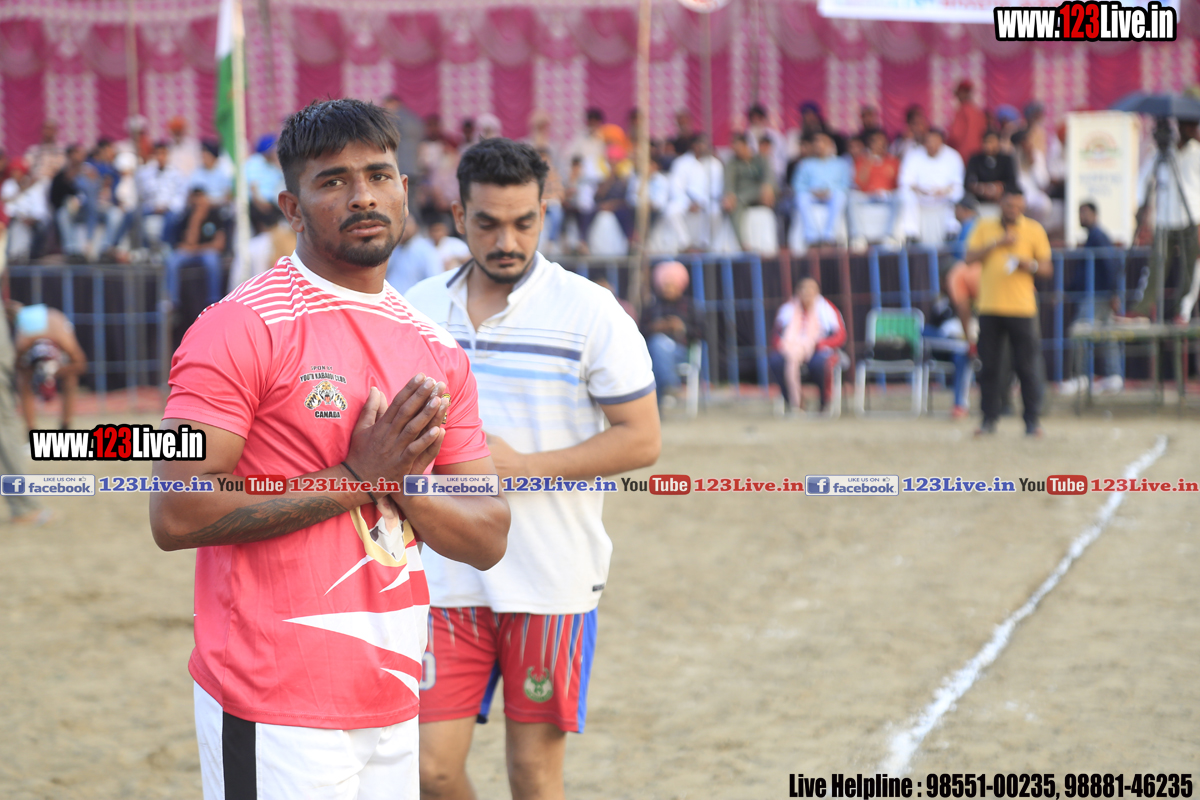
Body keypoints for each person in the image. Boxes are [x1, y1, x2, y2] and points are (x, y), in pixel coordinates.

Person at [149, 98, 510, 800]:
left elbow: (489, 533)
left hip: (394, 692)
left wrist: (402, 482)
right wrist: (357, 475)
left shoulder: (436, 349)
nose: (363, 195)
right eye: (333, 180)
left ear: (405, 189)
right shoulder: (238, 327)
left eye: (379, 174)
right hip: (272, 698)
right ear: (291, 205)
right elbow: (176, 511)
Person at [404, 137, 660, 800]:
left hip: (551, 577)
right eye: (488, 223)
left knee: (534, 775)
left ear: (545, 213)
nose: (507, 241)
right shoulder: (414, 308)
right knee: (428, 771)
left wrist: (522, 467)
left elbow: (641, 440)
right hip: (443, 575)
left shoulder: (590, 310)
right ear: (458, 216)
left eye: (524, 222)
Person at [966, 189, 1052, 436]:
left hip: (1022, 309)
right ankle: (988, 419)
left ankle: (1032, 420)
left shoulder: (1034, 229)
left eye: (1017, 206)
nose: (1013, 210)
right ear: (1001, 205)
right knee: (989, 367)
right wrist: (997, 243)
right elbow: (969, 258)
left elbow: (1047, 269)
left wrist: (1029, 265)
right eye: (1009, 205)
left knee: (1027, 366)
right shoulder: (984, 227)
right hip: (990, 307)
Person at [1133, 120, 1200, 322]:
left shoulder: (1197, 152)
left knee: (1191, 267)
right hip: (1165, 219)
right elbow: (1143, 178)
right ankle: (1142, 310)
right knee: (1156, 265)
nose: (1193, 130)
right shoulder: (1162, 153)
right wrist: (1141, 206)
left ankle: (1182, 312)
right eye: (1189, 126)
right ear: (1180, 126)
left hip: (1192, 217)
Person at [1066, 202, 1123, 393]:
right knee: (1107, 334)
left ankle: (1081, 377)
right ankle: (1113, 375)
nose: (1081, 216)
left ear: (1095, 214)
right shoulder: (1094, 236)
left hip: (1097, 295)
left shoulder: (1098, 235)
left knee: (1081, 332)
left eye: (1085, 213)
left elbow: (1110, 264)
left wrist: (1113, 292)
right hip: (1096, 293)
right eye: (1079, 212)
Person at [768, 277, 846, 413]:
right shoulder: (788, 309)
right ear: (797, 291)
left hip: (818, 349)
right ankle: (794, 402)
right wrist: (784, 345)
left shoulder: (826, 308)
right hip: (792, 350)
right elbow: (776, 336)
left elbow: (840, 336)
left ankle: (824, 403)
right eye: (804, 289)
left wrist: (819, 344)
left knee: (821, 364)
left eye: (811, 289)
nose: (807, 292)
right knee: (776, 361)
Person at [12, 303, 87, 430]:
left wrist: (54, 371)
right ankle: (30, 428)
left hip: (54, 321)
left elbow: (81, 365)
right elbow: (16, 364)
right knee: (23, 377)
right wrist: (35, 371)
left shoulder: (65, 342)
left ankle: (65, 425)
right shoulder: (23, 344)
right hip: (32, 322)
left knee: (71, 377)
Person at [642, 260, 704, 406]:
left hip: (681, 352)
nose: (667, 288)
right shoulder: (652, 307)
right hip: (653, 354)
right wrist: (655, 328)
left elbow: (702, 333)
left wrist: (682, 328)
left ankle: (666, 389)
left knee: (658, 346)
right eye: (665, 284)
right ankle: (669, 386)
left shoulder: (689, 307)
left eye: (671, 284)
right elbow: (639, 332)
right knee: (657, 346)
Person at [898, 129, 964, 245]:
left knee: (957, 194)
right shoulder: (914, 155)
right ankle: (912, 233)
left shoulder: (953, 156)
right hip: (921, 196)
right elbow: (906, 181)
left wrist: (944, 191)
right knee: (906, 194)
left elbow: (957, 182)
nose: (931, 144)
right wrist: (919, 189)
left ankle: (951, 229)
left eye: (935, 141)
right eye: (928, 141)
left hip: (942, 196)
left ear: (942, 142)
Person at [165, 188, 227, 309]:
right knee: (172, 261)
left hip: (204, 251)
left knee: (212, 260)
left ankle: (214, 299)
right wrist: (196, 219)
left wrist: (196, 248)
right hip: (192, 253)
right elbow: (189, 241)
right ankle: (172, 302)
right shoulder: (188, 215)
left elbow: (219, 245)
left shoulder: (215, 215)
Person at [666, 133, 725, 252]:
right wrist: (688, 203)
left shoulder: (715, 164)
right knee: (672, 210)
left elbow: (716, 189)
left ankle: (705, 245)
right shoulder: (681, 162)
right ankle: (685, 244)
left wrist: (701, 203)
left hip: (706, 202)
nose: (703, 147)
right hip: (686, 201)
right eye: (700, 144)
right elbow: (676, 188)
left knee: (715, 211)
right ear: (694, 146)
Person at [792, 132, 850, 247]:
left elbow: (845, 184)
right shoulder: (805, 163)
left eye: (822, 142)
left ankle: (829, 235)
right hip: (812, 195)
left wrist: (829, 191)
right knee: (801, 197)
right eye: (816, 143)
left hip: (831, 194)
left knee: (840, 196)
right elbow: (797, 184)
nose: (819, 145)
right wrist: (812, 191)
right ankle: (811, 236)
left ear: (830, 145)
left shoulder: (840, 164)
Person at [723, 133, 777, 253]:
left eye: (738, 147)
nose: (736, 151)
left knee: (768, 190)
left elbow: (769, 176)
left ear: (746, 146)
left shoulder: (760, 159)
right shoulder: (732, 163)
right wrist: (729, 195)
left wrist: (768, 187)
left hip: (761, 194)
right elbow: (729, 182)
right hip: (742, 196)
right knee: (734, 205)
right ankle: (743, 244)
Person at [849, 129, 902, 248]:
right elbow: (859, 182)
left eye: (881, 142)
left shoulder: (893, 161)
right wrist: (869, 160)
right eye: (875, 142)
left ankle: (889, 235)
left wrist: (886, 192)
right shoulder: (862, 160)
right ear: (870, 144)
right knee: (852, 197)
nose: (878, 145)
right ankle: (858, 236)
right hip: (867, 196)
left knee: (900, 197)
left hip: (886, 196)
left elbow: (897, 184)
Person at [137, 141, 187, 249]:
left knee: (172, 219)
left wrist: (166, 207)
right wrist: (154, 206)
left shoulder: (176, 174)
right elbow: (144, 195)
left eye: (163, 154)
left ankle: (166, 247)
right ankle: (144, 248)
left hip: (169, 208)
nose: (160, 157)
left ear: (168, 155)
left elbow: (180, 196)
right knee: (137, 214)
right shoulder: (147, 173)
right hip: (152, 207)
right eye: (158, 154)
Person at [386, 219, 443, 295]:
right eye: (399, 223)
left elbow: (434, 282)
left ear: (416, 226)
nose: (403, 227)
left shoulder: (426, 250)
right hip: (391, 299)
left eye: (406, 223)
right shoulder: (395, 248)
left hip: (413, 301)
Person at [964, 131, 1018, 205]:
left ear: (998, 142)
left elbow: (1012, 182)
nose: (988, 145)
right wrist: (982, 189)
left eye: (991, 142)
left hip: (1001, 199)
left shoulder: (1006, 160)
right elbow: (969, 182)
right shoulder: (975, 160)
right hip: (979, 199)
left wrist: (999, 187)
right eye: (986, 142)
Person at [947, 80, 988, 160]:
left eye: (958, 94)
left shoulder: (962, 111)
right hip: (978, 154)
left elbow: (955, 136)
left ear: (963, 93)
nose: (957, 98)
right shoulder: (978, 112)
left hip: (962, 154)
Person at [188, 140, 232, 207]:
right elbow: (191, 194)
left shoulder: (223, 173)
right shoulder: (197, 172)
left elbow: (228, 197)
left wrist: (211, 201)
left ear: (213, 157)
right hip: (199, 204)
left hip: (217, 207)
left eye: (206, 156)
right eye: (203, 156)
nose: (203, 159)